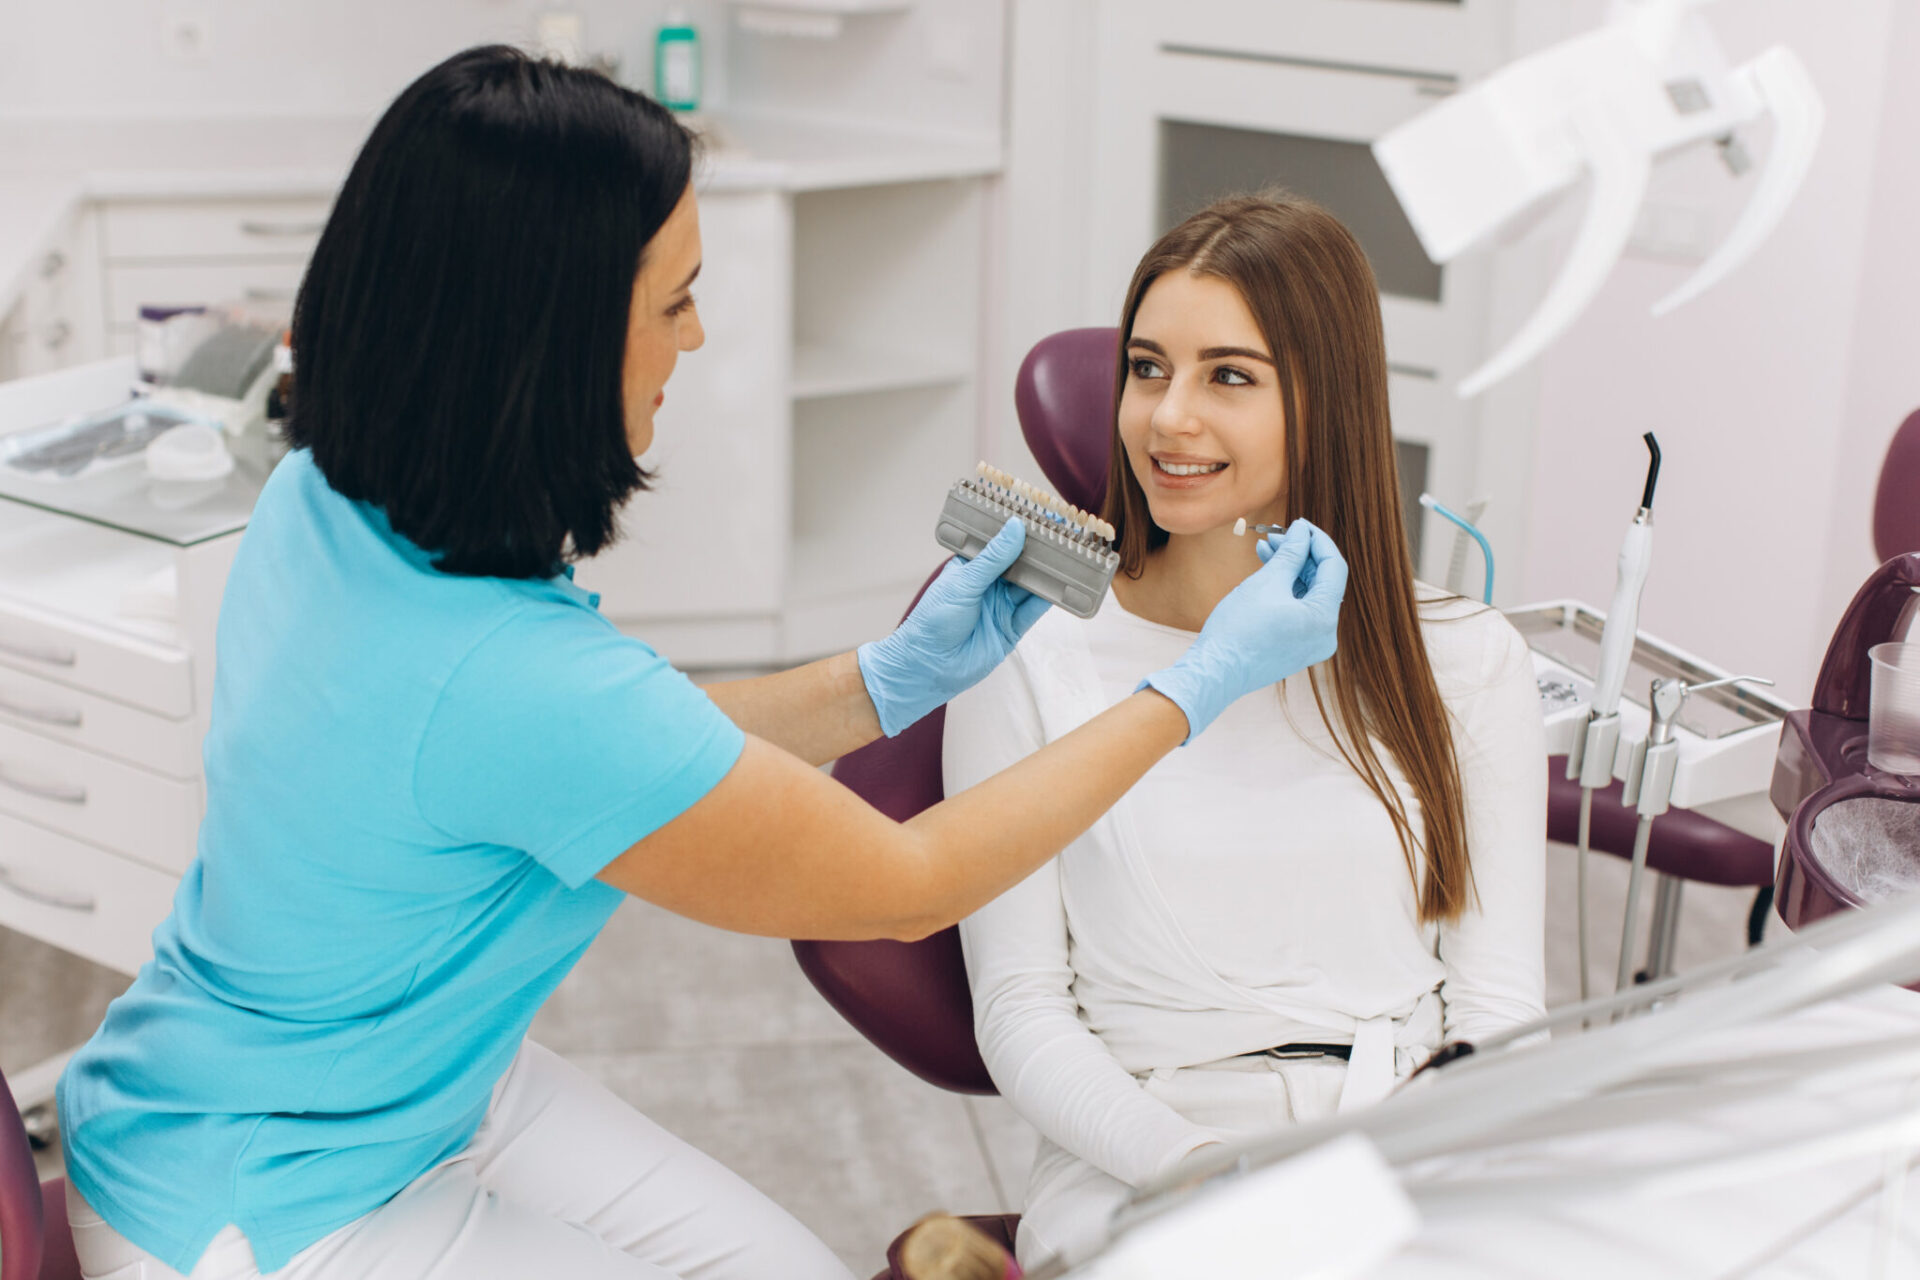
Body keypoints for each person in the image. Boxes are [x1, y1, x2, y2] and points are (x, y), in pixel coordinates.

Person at [53, 51, 1350, 1280]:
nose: (698, 338)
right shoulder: (522, 685)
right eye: (673, 300)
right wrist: (1193, 687)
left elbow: (618, 753)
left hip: (361, 1078)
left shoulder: (326, 501)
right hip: (266, 1202)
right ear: (543, 344)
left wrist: (884, 680)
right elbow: (905, 884)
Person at [945, 192, 1548, 1269]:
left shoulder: (1461, 657)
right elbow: (1023, 1009)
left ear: (1328, 400)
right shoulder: (1029, 649)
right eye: (1146, 367)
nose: (1169, 416)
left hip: (1407, 1140)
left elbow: (1498, 1003)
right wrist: (1206, 1164)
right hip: (1142, 1155)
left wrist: (1420, 1167)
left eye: (1229, 374)